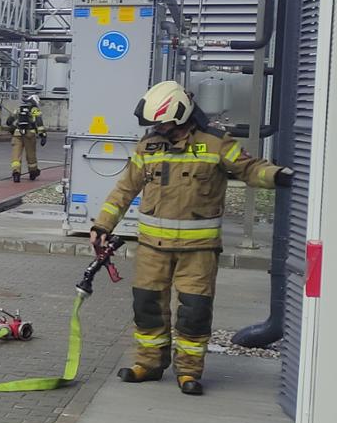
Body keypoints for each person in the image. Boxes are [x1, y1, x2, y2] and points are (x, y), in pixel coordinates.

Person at [92, 80, 292, 396]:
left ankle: (189, 372)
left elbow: (250, 169)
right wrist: (102, 225)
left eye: (163, 122)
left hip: (198, 252)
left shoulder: (216, 143)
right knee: (147, 307)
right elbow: (124, 189)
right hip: (151, 249)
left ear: (181, 114)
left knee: (194, 312)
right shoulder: (149, 146)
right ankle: (149, 364)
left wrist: (279, 176)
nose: (158, 128)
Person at [9, 92, 47, 183]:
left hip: (17, 133)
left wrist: (13, 128)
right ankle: (33, 172)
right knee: (31, 154)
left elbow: (9, 121)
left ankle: (16, 173)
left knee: (16, 155)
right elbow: (39, 122)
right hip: (29, 133)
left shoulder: (19, 108)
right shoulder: (35, 110)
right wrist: (43, 135)